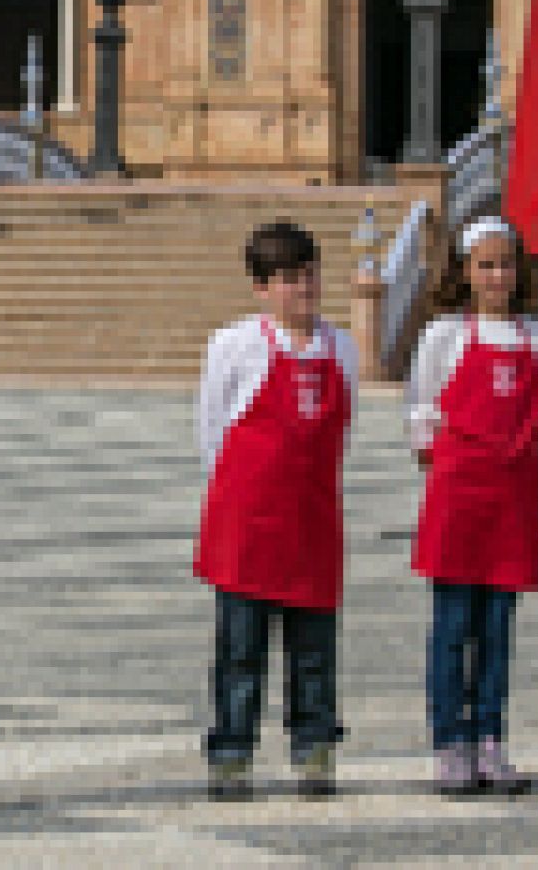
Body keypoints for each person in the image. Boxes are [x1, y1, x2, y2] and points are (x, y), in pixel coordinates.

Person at [194, 221, 358, 800]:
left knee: (314, 651)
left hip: (313, 522)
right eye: (289, 278)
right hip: (247, 523)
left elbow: (345, 422)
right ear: (262, 287)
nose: (303, 287)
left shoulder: (341, 347)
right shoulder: (235, 344)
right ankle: (232, 753)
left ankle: (314, 750)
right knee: (240, 651)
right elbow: (212, 430)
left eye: (310, 274)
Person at [407, 216, 538, 796]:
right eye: (487, 265)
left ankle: (491, 738)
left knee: (498, 627)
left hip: (513, 498)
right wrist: (451, 468)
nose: (499, 275)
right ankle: (450, 741)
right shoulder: (444, 335)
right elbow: (423, 413)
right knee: (451, 626)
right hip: (457, 495)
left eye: (507, 264)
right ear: (466, 272)